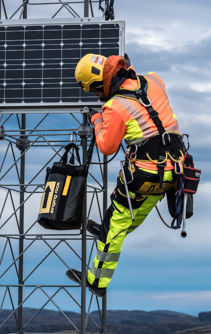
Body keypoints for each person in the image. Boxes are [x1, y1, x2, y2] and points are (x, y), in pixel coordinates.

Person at [66, 53, 186, 297]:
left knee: (117, 220)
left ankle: (96, 282)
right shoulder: (154, 80)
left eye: (95, 91)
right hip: (174, 171)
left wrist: (98, 119)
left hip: (144, 173)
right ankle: (110, 232)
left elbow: (107, 147)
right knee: (135, 212)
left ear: (101, 84)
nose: (97, 96)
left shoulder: (115, 107)